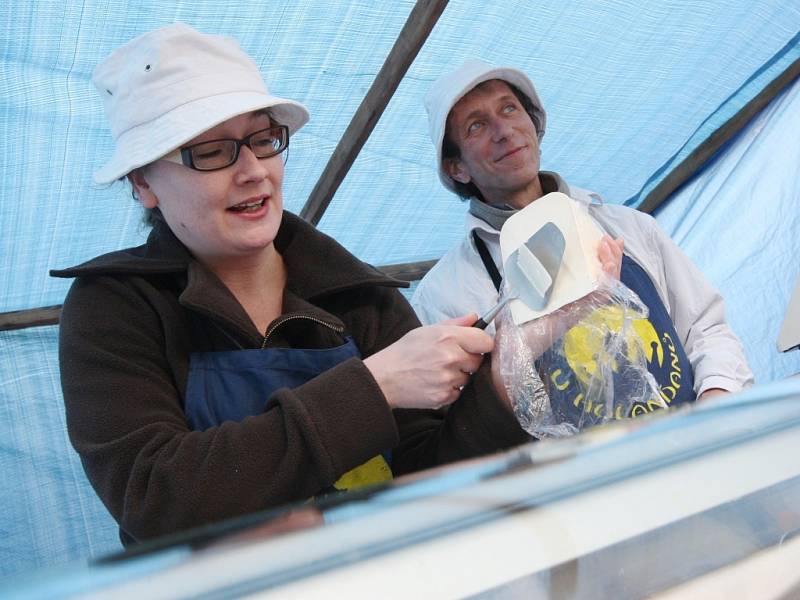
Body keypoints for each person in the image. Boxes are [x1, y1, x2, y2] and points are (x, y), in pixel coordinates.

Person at [51, 26, 528, 545]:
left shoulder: (360, 296)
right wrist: (376, 387)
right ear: (143, 182)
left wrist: (501, 389)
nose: (254, 171)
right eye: (210, 151)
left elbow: (428, 473)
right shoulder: (116, 308)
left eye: (262, 139)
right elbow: (155, 495)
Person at [412, 59, 754, 419]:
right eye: (476, 126)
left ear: (534, 123)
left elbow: (705, 327)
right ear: (456, 168)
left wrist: (716, 402)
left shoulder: (630, 227)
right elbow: (463, 431)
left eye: (509, 108)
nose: (503, 130)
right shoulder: (445, 296)